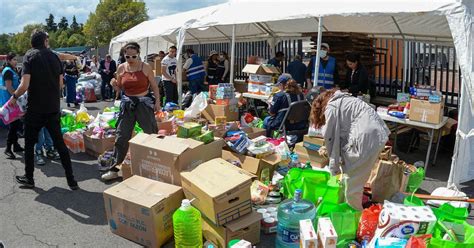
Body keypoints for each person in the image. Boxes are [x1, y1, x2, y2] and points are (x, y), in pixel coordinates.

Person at [10, 30, 78, 190]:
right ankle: (72, 180)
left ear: (32, 42)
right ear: (45, 41)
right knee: (60, 144)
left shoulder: (30, 56)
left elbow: (24, 84)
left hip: (36, 108)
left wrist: (14, 97)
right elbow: (61, 84)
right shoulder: (55, 56)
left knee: (29, 143)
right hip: (53, 107)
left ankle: (29, 178)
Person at [310, 89, 389, 210]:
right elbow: (343, 134)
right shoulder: (344, 100)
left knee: (352, 186)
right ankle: (345, 208)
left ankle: (354, 219)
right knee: (354, 177)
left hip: (366, 140)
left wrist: (334, 169)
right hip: (377, 136)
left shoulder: (331, 107)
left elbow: (332, 141)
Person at [103, 42, 160, 180]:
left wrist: (158, 102)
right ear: (124, 55)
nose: (131, 59)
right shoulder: (121, 68)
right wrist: (114, 85)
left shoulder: (145, 67)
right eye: (127, 56)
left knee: (151, 134)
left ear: (138, 55)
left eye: (134, 56)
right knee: (121, 137)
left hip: (143, 104)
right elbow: (120, 88)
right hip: (127, 105)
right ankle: (115, 169)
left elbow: (154, 86)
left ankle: (156, 167)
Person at [1, 52, 24, 159]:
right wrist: (17, 97)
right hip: (10, 102)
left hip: (13, 100)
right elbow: (9, 88)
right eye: (14, 59)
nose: (16, 61)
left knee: (16, 124)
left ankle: (16, 145)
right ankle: (8, 148)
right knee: (13, 125)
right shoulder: (8, 71)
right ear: (9, 61)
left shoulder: (12, 70)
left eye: (16, 59)